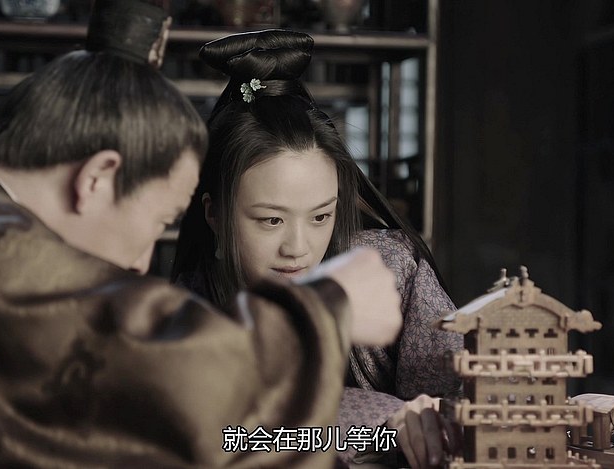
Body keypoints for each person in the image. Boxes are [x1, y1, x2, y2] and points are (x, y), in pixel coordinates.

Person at [0, 2, 403, 467]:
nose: (140, 264)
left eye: (321, 216)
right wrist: (326, 312)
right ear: (97, 180)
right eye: (159, 222)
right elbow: (180, 404)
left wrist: (386, 434)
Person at [171, 29, 465, 468]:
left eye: (321, 216)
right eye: (271, 220)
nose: (298, 248)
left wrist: (434, 415)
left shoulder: (388, 270)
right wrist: (383, 425)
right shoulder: (182, 314)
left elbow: (468, 387)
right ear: (214, 214)